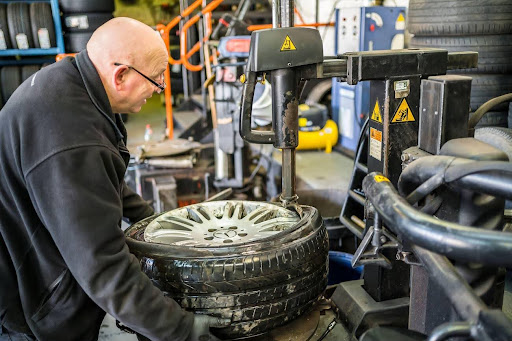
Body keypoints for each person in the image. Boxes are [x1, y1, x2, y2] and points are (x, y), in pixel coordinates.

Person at [0, 17, 227, 341]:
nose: (160, 88)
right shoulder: (73, 139)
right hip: (29, 301)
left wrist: (153, 220)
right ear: (121, 75)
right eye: (156, 78)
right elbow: (103, 268)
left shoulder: (73, 87)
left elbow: (99, 183)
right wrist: (185, 330)